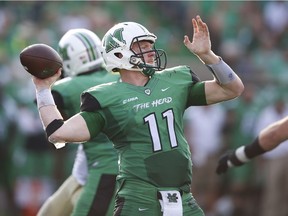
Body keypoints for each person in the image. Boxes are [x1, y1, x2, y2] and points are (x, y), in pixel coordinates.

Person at [32, 15, 244, 216]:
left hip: (183, 197)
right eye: (141, 46)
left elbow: (232, 89)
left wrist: (207, 55)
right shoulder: (107, 97)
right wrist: (42, 89)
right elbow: (58, 133)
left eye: (150, 45)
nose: (150, 51)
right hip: (138, 200)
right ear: (118, 53)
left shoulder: (174, 81)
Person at [36, 28, 119, 216]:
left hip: (102, 169)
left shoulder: (64, 88)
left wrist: (42, 86)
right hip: (95, 168)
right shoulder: (119, 76)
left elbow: (55, 134)